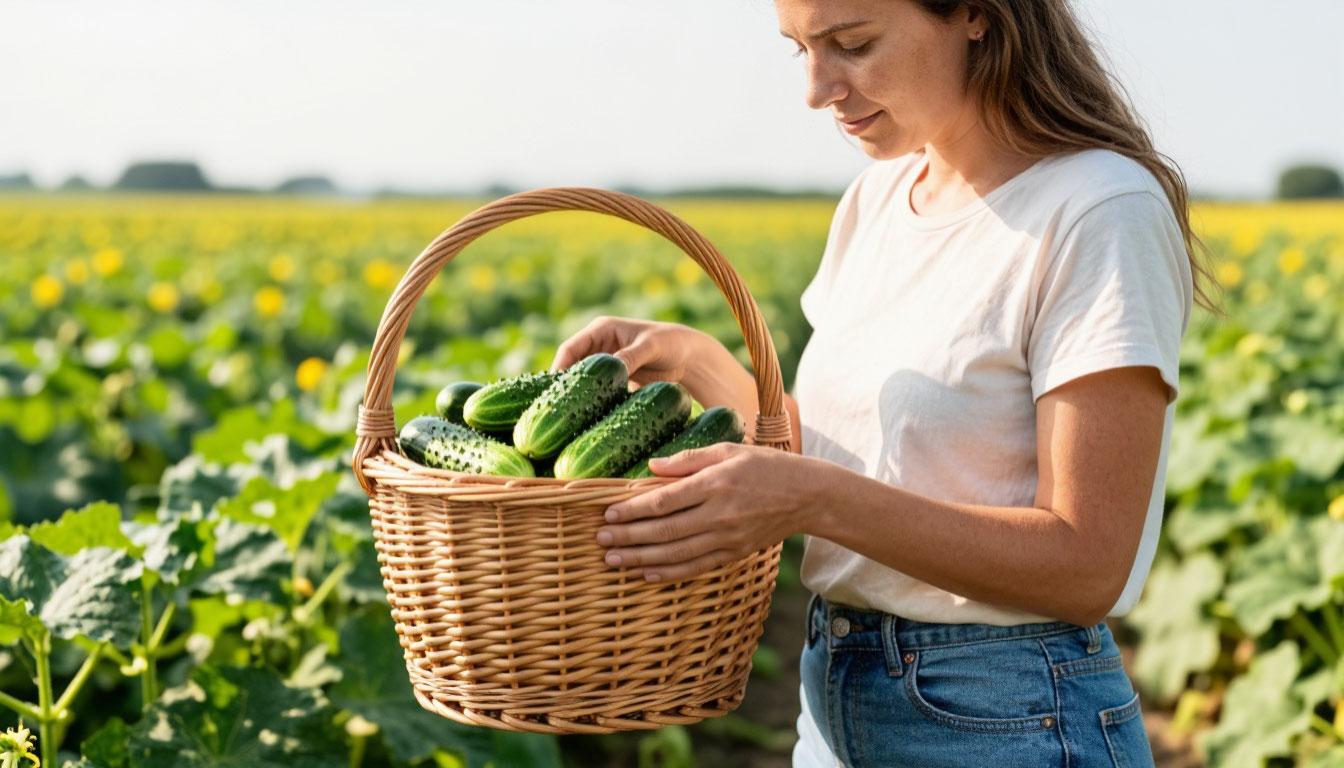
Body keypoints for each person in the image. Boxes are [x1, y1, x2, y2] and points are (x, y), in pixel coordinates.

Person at [550, 0, 1222, 765]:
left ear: (974, 13)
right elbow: (863, 462)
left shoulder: (1099, 208)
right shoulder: (875, 201)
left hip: (1008, 717)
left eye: (852, 44)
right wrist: (695, 362)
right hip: (836, 694)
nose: (816, 88)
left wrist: (812, 498)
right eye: (798, 49)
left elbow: (1088, 562)